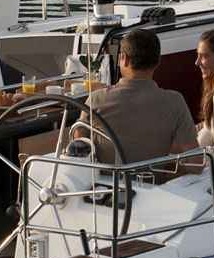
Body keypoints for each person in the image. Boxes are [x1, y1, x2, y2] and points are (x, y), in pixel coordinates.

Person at [82, 29, 198, 165]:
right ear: (157, 62)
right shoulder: (175, 102)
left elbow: (78, 148)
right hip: (155, 177)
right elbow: (195, 162)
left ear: (124, 59)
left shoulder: (96, 100)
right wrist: (166, 173)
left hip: (107, 177)